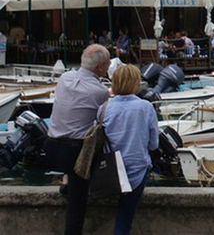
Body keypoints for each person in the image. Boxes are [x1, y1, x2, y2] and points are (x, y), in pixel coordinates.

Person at [43, 44, 111, 235]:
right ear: (100, 68)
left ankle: (66, 180)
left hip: (51, 145)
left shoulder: (64, 78)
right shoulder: (100, 92)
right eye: (107, 63)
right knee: (77, 203)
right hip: (74, 153)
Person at [102, 64, 158, 235]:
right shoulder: (145, 107)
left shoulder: (104, 108)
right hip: (136, 169)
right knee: (124, 220)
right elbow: (154, 144)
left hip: (110, 170)